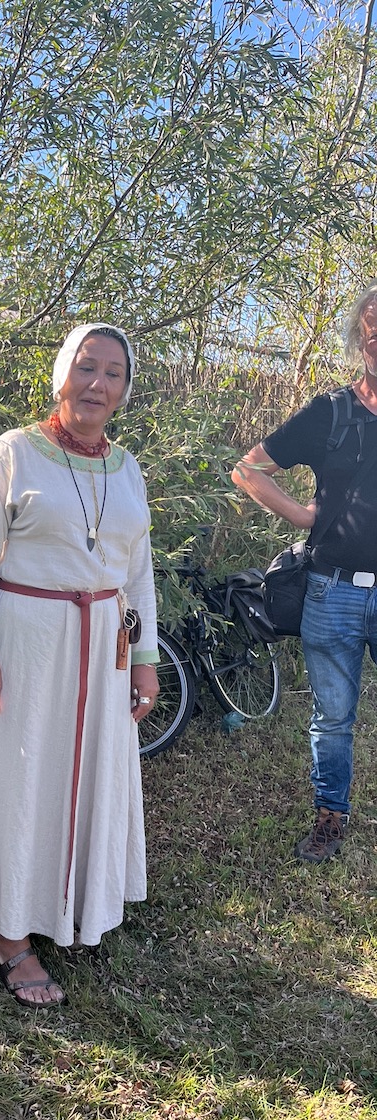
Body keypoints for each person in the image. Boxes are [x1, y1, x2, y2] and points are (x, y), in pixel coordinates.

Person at [0, 324, 160, 1007]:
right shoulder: (14, 453)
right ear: (60, 374)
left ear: (125, 390)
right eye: (87, 367)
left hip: (105, 647)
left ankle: (78, 901)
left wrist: (145, 660)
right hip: (28, 642)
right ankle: (12, 934)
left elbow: (138, 572)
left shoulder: (127, 468)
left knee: (91, 772)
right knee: (23, 776)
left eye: (113, 373)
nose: (98, 383)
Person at [232, 281, 377, 864]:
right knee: (333, 718)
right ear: (361, 337)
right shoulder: (331, 413)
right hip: (331, 591)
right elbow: (248, 469)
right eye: (373, 325)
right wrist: (299, 513)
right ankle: (330, 819)